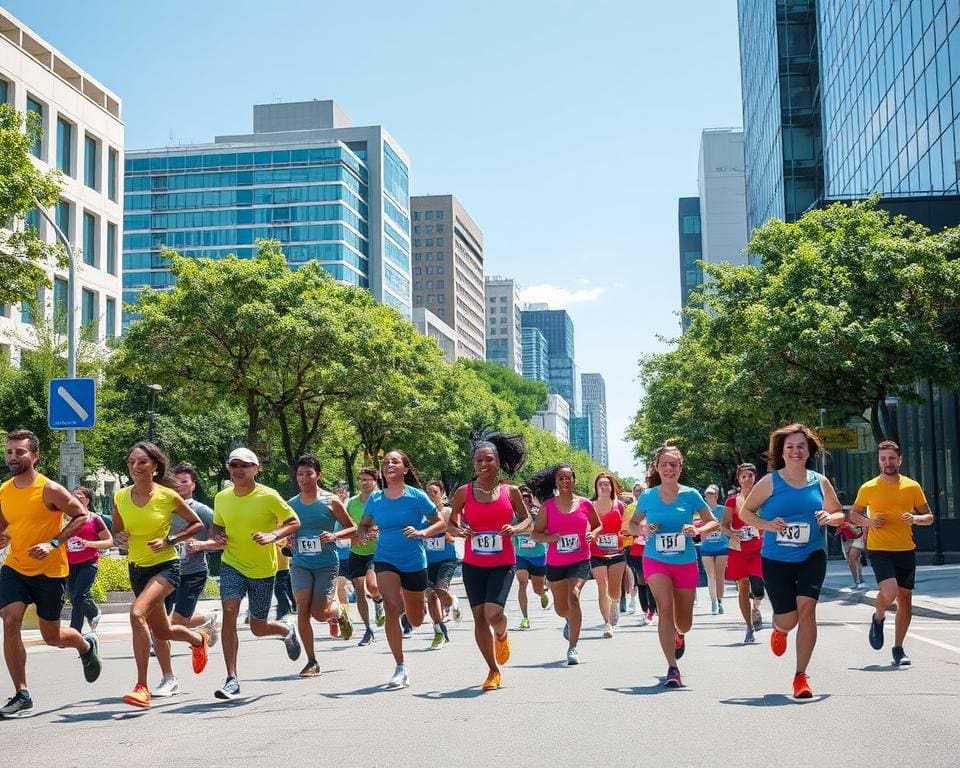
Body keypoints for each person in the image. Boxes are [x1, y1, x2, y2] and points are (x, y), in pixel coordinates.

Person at [0, 430, 102, 717]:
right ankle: (22, 693)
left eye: (20, 452)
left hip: (50, 571)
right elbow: (5, 523)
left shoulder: (49, 489)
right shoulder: (4, 490)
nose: (13, 456)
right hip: (15, 567)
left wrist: (54, 543)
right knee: (10, 619)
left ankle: (85, 645)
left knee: (52, 637)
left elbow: (81, 515)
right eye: (9, 451)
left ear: (35, 456)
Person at [738, 424, 844, 699]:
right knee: (789, 619)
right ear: (782, 452)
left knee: (807, 609)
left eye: (801, 446)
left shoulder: (819, 481)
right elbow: (746, 513)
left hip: (812, 555)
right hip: (776, 559)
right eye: (790, 447)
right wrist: (767, 524)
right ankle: (780, 628)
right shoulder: (769, 482)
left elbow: (838, 514)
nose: (796, 451)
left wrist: (829, 517)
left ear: (809, 451)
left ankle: (800, 676)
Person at [112, 442, 211, 709]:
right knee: (163, 630)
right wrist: (119, 537)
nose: (135, 467)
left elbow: (196, 524)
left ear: (154, 466)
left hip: (165, 566)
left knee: (137, 614)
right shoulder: (120, 496)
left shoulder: (167, 496)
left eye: (142, 462)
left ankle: (141, 687)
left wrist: (169, 540)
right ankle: (197, 639)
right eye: (132, 462)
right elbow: (117, 531)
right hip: (137, 568)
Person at [204, 447, 302, 700]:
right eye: (234, 465)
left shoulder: (268, 496)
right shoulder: (222, 497)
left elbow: (294, 522)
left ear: (256, 469)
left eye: (244, 465)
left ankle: (286, 631)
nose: (238, 470)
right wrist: (217, 536)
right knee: (229, 612)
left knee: (258, 627)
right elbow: (217, 526)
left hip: (262, 569)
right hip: (232, 563)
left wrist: (272, 535)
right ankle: (232, 679)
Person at [629, 445, 718, 688]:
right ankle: (672, 667)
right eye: (664, 465)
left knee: (685, 622)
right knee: (665, 607)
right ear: (657, 468)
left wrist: (697, 529)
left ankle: (679, 634)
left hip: (685, 561)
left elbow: (713, 522)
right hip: (655, 559)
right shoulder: (648, 496)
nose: (669, 469)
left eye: (674, 465)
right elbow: (632, 525)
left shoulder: (691, 495)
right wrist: (643, 529)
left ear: (680, 467)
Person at [358, 450, 445, 689]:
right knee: (391, 607)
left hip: (414, 560)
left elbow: (440, 522)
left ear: (405, 469)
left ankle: (416, 604)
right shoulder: (376, 499)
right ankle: (400, 666)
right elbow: (363, 525)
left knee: (416, 620)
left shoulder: (417, 496)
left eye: (395, 461)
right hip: (385, 557)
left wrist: (422, 532)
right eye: (386, 462)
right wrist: (363, 534)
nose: (389, 464)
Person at [449, 432, 529, 691]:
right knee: (480, 619)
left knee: (493, 614)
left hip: (503, 563)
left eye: (488, 460)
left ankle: (502, 634)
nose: (483, 464)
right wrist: (459, 530)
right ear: (473, 463)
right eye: (478, 460)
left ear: (498, 462)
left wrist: (515, 529)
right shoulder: (463, 492)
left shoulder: (510, 491)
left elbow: (527, 520)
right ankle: (493, 670)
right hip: (474, 564)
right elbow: (451, 523)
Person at [849, 440, 934, 667]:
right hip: (880, 549)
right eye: (883, 459)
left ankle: (898, 649)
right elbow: (854, 515)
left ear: (900, 460)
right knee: (889, 591)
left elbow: (929, 517)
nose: (888, 462)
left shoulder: (912, 486)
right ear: (879, 461)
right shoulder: (868, 487)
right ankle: (878, 616)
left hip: (905, 549)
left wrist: (915, 518)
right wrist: (869, 521)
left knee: (905, 599)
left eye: (892, 458)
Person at [152, 463, 221, 698]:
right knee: (158, 626)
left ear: (193, 485)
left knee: (176, 622)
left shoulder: (203, 511)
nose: (180, 486)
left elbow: (221, 541)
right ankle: (168, 678)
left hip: (193, 572)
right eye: (176, 481)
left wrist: (201, 545)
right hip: (164, 571)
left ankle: (204, 625)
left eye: (184, 481)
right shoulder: (163, 508)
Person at [288, 456, 356, 676]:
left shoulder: (331, 501)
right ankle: (311, 661)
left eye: (308, 474)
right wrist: (287, 539)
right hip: (300, 563)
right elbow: (286, 531)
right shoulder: (291, 505)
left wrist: (335, 535)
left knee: (319, 613)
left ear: (319, 475)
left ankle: (339, 612)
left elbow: (352, 528)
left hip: (326, 564)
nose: (303, 478)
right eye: (300, 474)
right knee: (302, 606)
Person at [529, 464, 602, 666]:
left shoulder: (585, 504)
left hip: (580, 559)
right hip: (556, 562)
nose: (564, 481)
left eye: (568, 478)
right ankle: (569, 620)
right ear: (555, 482)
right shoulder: (548, 507)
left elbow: (598, 525)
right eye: (560, 478)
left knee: (574, 596)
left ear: (574, 480)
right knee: (561, 609)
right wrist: (550, 538)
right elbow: (535, 534)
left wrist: (592, 534)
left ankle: (573, 648)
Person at [722, 464, 765, 643]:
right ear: (739, 480)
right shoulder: (732, 501)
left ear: (755, 478)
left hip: (758, 550)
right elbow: (723, 526)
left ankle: (756, 608)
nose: (747, 479)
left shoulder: (763, 499)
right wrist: (733, 533)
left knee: (759, 588)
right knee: (743, 586)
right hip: (737, 549)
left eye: (750, 476)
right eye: (744, 476)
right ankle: (749, 627)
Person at [345, 467, 385, 646]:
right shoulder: (352, 503)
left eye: (368, 480)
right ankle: (368, 629)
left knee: (373, 586)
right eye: (361, 479)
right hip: (356, 552)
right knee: (359, 591)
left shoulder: (382, 500)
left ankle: (378, 600)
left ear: (375, 481)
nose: (364, 483)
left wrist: (378, 531)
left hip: (377, 551)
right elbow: (345, 525)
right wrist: (352, 536)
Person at [66, 487, 113, 633]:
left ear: (87, 500)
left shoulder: (94, 519)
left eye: (80, 497)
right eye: (73, 497)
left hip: (89, 563)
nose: (76, 500)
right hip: (70, 564)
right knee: (74, 597)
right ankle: (93, 612)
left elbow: (109, 541)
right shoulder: (65, 519)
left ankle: (75, 631)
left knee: (79, 595)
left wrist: (89, 544)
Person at [589, 472, 626, 638]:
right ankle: (607, 624)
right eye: (600, 484)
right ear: (596, 488)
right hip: (596, 552)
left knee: (614, 591)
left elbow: (625, 526)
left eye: (606, 484)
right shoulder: (590, 506)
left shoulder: (619, 506)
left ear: (611, 487)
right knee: (602, 586)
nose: (604, 487)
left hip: (616, 552)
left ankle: (615, 604)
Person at [424, 480, 460, 650]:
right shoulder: (420, 513)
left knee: (440, 590)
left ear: (442, 494)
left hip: (446, 559)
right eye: (428, 493)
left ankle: (452, 602)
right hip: (426, 561)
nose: (431, 496)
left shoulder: (447, 512)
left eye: (435, 492)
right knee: (430, 595)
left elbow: (454, 533)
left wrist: (442, 530)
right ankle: (439, 631)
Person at [514, 485, 549, 630]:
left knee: (537, 589)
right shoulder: (514, 517)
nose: (525, 501)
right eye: (522, 498)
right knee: (522, 583)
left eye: (527, 498)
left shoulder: (538, 515)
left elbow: (546, 532)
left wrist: (536, 535)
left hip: (538, 556)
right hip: (521, 556)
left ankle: (542, 594)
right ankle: (525, 618)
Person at [624, 481, 656, 625]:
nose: (639, 492)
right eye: (637, 490)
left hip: (652, 547)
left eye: (642, 489)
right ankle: (646, 610)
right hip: (635, 548)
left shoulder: (654, 505)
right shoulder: (630, 508)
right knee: (641, 579)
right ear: (633, 493)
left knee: (652, 579)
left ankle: (652, 610)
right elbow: (625, 527)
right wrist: (635, 530)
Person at [699, 484, 728, 615]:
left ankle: (720, 600)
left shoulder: (723, 510)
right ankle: (713, 602)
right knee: (710, 575)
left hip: (722, 545)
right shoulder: (702, 510)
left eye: (711, 494)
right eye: (707, 494)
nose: (709, 496)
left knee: (720, 576)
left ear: (716, 495)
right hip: (706, 546)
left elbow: (728, 526)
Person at [836, 519, 866, 589]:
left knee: (854, 558)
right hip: (846, 535)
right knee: (850, 560)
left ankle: (860, 581)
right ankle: (857, 581)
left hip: (857, 534)